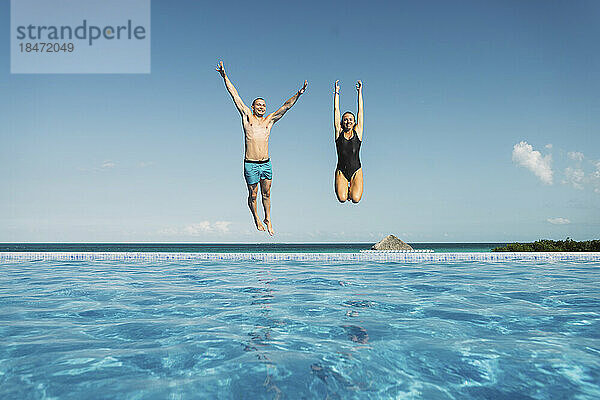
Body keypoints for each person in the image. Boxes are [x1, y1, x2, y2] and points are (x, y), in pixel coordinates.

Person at [216, 61, 307, 235]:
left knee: (267, 194)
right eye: (258, 104)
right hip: (250, 163)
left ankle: (268, 218)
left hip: (266, 163)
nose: (262, 107)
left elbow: (286, 107)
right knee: (253, 195)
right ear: (252, 107)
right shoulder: (247, 117)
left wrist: (298, 94)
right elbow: (234, 95)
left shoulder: (269, 121)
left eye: (264, 105)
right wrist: (225, 76)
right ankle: (256, 218)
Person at [333, 80, 363, 203]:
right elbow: (336, 110)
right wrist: (336, 93)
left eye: (350, 119)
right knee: (342, 198)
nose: (348, 121)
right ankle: (345, 186)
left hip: (356, 170)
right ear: (342, 122)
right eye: (345, 120)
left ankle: (351, 187)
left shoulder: (358, 132)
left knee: (355, 199)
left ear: (354, 122)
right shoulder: (338, 133)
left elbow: (360, 112)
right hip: (341, 170)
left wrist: (359, 92)